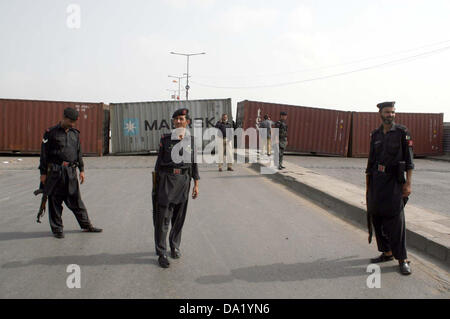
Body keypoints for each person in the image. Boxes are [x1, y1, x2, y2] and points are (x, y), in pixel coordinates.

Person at [366, 101, 414, 275]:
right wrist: (368, 185)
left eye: (393, 112)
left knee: (396, 221)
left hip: (395, 182)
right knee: (377, 216)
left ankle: (402, 259)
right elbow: (371, 161)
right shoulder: (375, 135)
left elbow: (409, 162)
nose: (390, 115)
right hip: (377, 181)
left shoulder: (402, 133)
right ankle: (386, 252)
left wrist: (408, 183)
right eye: (387, 112)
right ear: (380, 113)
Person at [39, 107, 102, 239]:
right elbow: (44, 155)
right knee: (55, 201)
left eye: (74, 121)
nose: (73, 124)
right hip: (56, 172)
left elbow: (79, 153)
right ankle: (57, 229)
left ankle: (86, 225)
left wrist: (82, 170)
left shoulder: (75, 134)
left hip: (71, 172)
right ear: (64, 117)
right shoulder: (50, 133)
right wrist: (43, 173)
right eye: (71, 121)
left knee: (76, 201)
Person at [153, 108, 200, 268]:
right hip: (167, 180)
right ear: (173, 121)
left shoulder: (192, 140)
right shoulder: (165, 139)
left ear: (187, 122)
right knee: (163, 219)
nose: (179, 121)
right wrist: (156, 188)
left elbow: (194, 164)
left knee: (179, 219)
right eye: (176, 119)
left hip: (184, 181)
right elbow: (158, 164)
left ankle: (174, 246)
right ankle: (162, 252)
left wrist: (196, 184)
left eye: (182, 118)